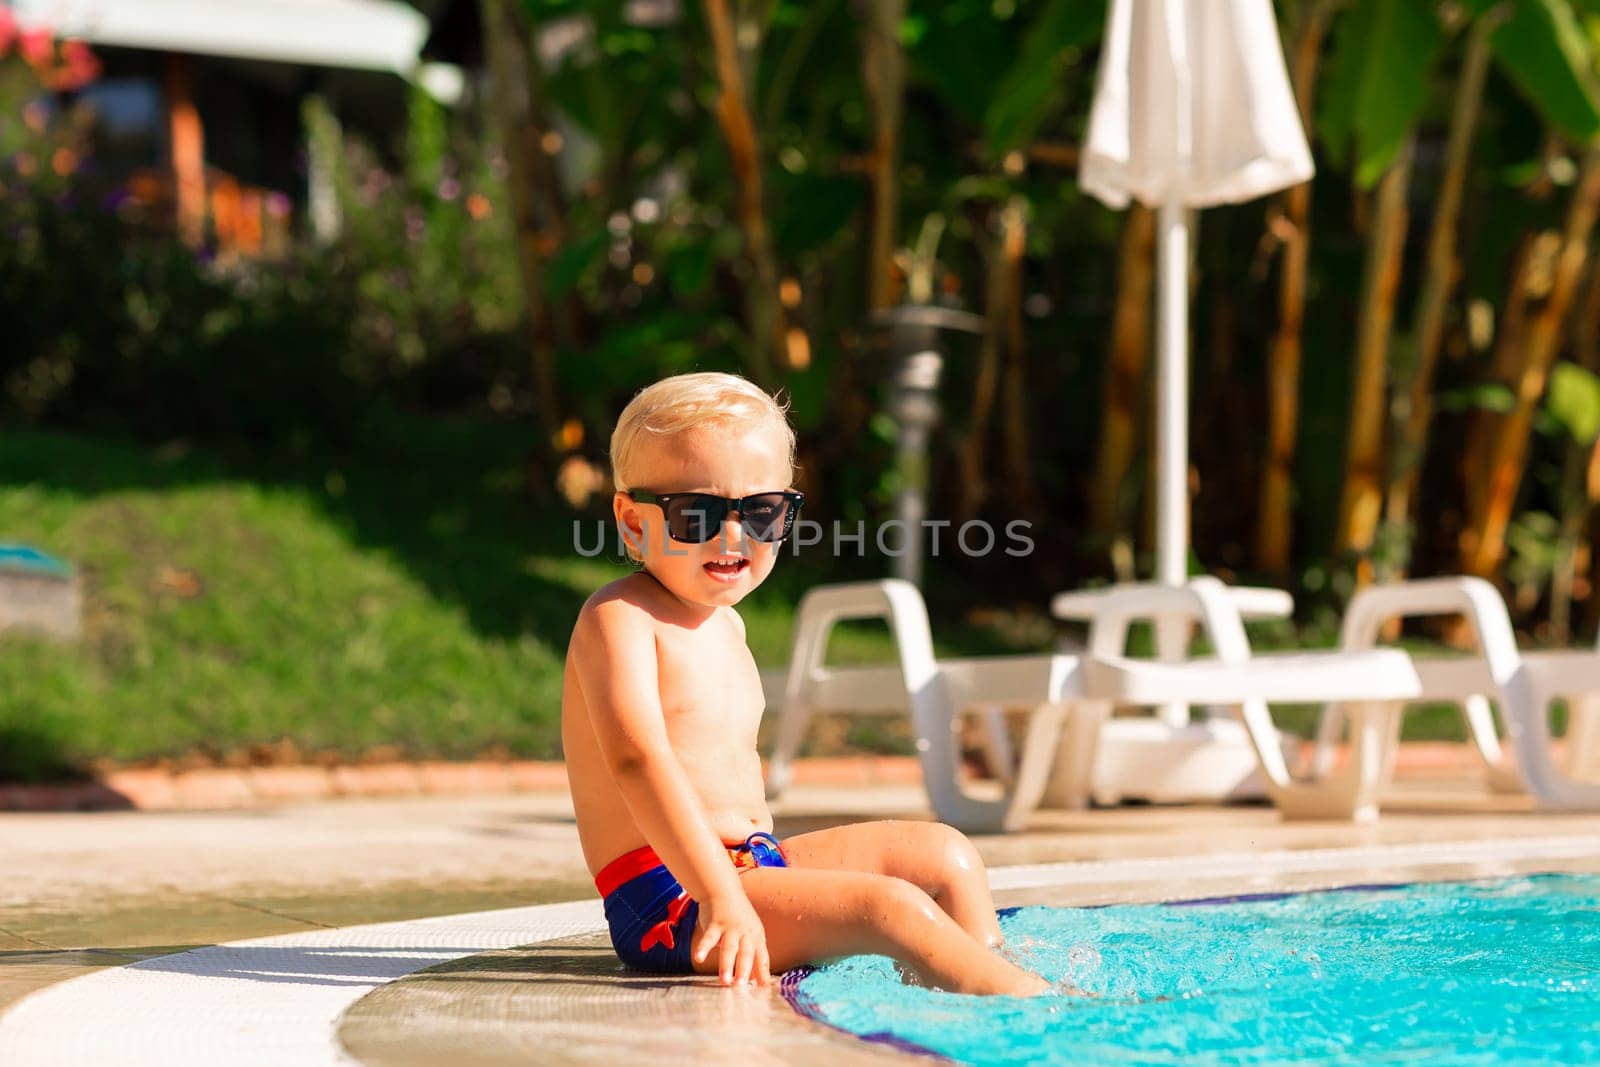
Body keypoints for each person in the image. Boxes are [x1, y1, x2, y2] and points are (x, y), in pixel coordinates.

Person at [560, 371, 1049, 996]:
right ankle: (1036, 1011)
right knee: (889, 909)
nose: (733, 535)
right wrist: (720, 896)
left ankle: (983, 977)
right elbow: (636, 758)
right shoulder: (619, 618)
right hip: (673, 898)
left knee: (944, 856)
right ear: (632, 523)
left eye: (761, 512)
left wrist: (748, 883)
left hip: (753, 863)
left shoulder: (726, 626)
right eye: (696, 513)